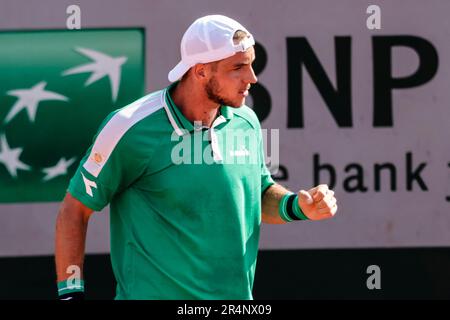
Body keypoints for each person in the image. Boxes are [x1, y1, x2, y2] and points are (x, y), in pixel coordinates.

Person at [54, 14, 338, 300]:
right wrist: (70, 295)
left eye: (251, 64)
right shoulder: (128, 127)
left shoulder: (247, 121)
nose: (252, 78)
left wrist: (298, 206)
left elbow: (256, 195)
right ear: (200, 71)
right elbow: (74, 211)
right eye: (239, 67)